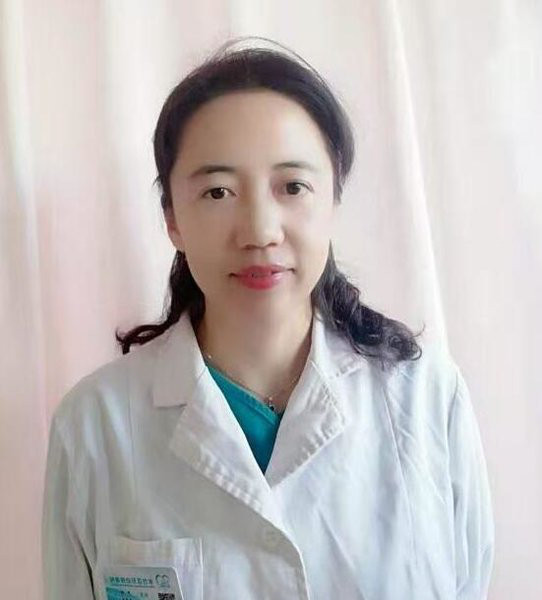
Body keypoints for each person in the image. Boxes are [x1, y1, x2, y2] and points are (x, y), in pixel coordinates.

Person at [42, 36, 495, 599]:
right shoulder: (95, 425)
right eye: (217, 192)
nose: (259, 230)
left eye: (293, 186)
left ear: (332, 201)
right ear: (172, 219)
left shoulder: (427, 398)